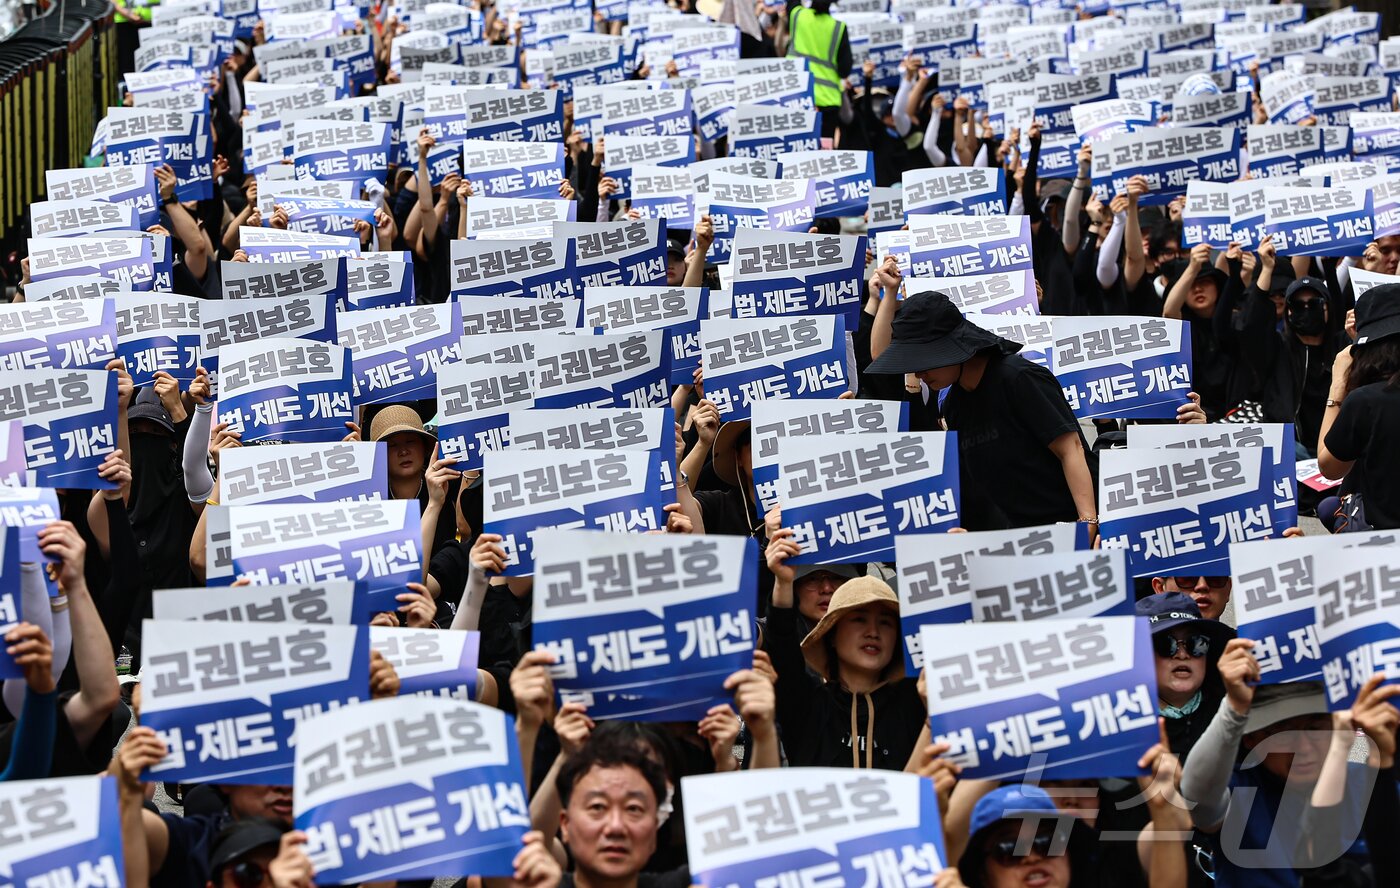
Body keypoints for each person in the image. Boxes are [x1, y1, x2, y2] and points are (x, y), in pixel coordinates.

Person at [868, 290, 1098, 532]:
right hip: (1024, 535)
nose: (918, 374)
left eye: (922, 361)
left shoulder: (1019, 378)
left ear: (950, 348)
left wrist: (1087, 522)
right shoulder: (954, 404)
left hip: (1071, 521)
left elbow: (1070, 449)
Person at [1179, 641, 1400, 887]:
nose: (1304, 748)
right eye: (1283, 736)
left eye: (1315, 729)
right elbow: (1197, 796)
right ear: (1252, 738)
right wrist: (1234, 707)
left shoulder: (1364, 779)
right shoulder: (1239, 790)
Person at [764, 534, 925, 769]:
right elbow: (781, 643)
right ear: (832, 636)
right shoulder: (808, 704)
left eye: (885, 623)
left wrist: (950, 557)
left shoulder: (917, 700)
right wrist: (783, 582)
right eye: (859, 620)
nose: (873, 631)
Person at [1319, 282, 1400, 529]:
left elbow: (1329, 467)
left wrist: (1337, 388)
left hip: (1385, 540)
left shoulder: (1366, 401)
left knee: (1328, 506)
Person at [1135, 593, 1232, 760]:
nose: (1182, 654)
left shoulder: (1236, 709)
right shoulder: (1121, 729)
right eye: (1165, 644)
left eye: (1196, 642)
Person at [776, 0, 850, 139]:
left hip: (797, 96)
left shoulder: (798, 15)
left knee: (796, 147)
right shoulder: (839, 28)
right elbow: (844, 70)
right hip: (828, 102)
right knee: (822, 154)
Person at [1148, 575, 1231, 622]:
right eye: (1187, 578)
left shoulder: (1242, 648)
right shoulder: (1142, 650)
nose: (1202, 586)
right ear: (1160, 589)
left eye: (1215, 577)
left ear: (1229, 588)